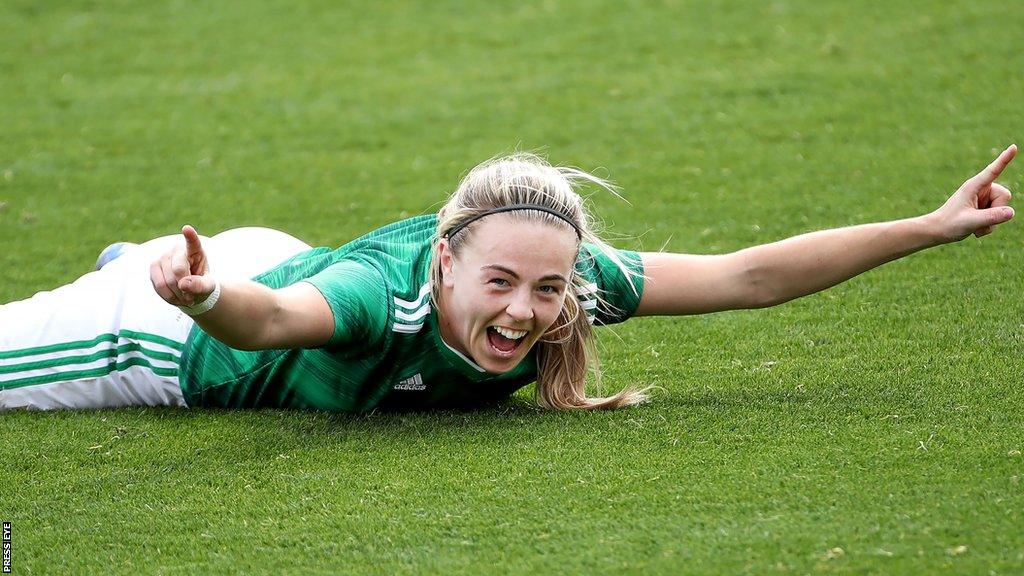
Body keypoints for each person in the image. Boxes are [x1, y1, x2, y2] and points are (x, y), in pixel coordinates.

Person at [0, 147, 1016, 412]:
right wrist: (201, 296)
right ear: (444, 262)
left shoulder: (567, 283)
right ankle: (135, 275)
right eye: (499, 283)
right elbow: (269, 324)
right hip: (162, 337)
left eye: (545, 289)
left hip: (254, 258)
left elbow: (748, 276)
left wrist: (929, 227)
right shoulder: (379, 296)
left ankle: (151, 263)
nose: (526, 311)